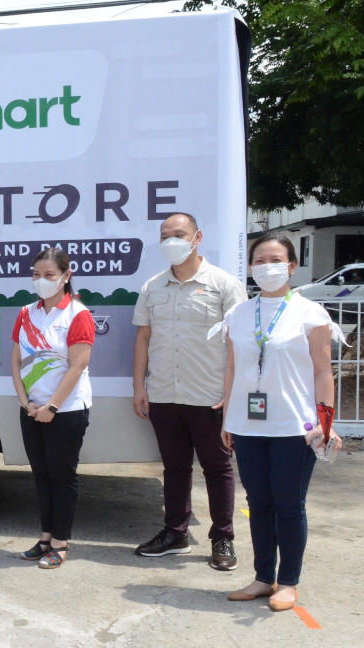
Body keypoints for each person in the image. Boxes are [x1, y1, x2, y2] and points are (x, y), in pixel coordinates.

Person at [219, 235, 342, 612]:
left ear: (291, 265)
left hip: (295, 427)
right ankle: (262, 577)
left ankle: (288, 582)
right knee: (259, 504)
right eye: (259, 259)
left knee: (289, 505)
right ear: (251, 267)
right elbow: (232, 367)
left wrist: (327, 419)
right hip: (248, 426)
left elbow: (323, 371)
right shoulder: (239, 314)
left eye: (275, 259)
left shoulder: (310, 313)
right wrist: (228, 418)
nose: (266, 266)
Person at [131, 212, 247, 570]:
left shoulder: (224, 284)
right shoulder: (152, 286)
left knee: (218, 467)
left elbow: (239, 343)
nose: (171, 241)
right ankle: (175, 532)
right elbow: (143, 338)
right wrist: (140, 386)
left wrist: (234, 391)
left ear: (197, 237)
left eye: (179, 234)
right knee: (174, 467)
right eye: (165, 235)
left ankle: (223, 538)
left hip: (209, 394)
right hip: (164, 393)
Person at [10, 247, 95, 568]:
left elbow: (77, 366)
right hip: (31, 409)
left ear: (66, 276)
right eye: (36, 275)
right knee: (41, 476)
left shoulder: (77, 314)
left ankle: (60, 542)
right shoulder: (25, 312)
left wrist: (52, 406)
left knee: (62, 476)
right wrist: (24, 400)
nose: (41, 281)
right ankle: (45, 537)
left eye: (49, 275)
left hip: (66, 410)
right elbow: (17, 359)